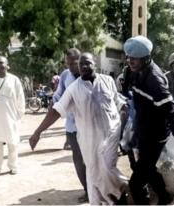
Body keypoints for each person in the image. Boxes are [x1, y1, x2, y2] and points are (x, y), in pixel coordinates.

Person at [29, 52, 128, 205]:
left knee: (107, 167)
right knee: (94, 172)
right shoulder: (73, 89)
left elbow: (119, 103)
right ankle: (116, 196)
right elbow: (56, 110)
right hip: (89, 140)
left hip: (111, 137)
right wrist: (38, 132)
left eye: (87, 63)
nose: (83, 66)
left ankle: (122, 193)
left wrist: (122, 126)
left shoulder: (108, 80)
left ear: (95, 63)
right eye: (81, 64)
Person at [123, 35, 174, 205]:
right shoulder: (134, 71)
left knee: (136, 183)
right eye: (129, 57)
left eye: (135, 58)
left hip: (156, 135)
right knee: (145, 168)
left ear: (146, 58)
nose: (130, 61)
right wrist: (134, 133)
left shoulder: (156, 81)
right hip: (143, 128)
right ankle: (165, 197)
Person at [49, 48, 88, 202]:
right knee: (78, 160)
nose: (71, 67)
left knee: (94, 161)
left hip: (91, 128)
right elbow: (57, 97)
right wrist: (53, 105)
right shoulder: (65, 75)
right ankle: (87, 190)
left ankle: (98, 188)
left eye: (74, 63)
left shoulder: (91, 74)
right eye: (68, 63)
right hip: (72, 128)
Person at [0, 56, 25, 177]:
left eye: (1, 62)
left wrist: (19, 115)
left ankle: (13, 166)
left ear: (7, 65)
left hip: (11, 117)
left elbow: (20, 99)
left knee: (13, 142)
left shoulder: (14, 80)